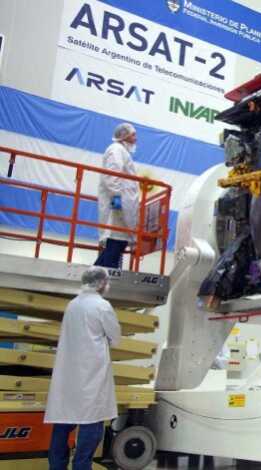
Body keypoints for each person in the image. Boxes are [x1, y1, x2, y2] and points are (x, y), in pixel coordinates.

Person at [45, 266, 121, 470]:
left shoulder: (72, 304)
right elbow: (115, 337)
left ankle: (56, 467)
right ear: (102, 283)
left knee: (62, 426)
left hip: (68, 377)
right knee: (91, 429)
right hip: (92, 377)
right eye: (107, 282)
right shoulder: (102, 306)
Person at [94, 123, 139, 269]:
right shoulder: (116, 150)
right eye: (133, 134)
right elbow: (112, 175)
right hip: (117, 209)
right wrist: (117, 198)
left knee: (116, 247)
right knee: (114, 246)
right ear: (124, 135)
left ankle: (96, 276)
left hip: (122, 207)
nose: (136, 138)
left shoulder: (122, 151)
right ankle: (94, 276)